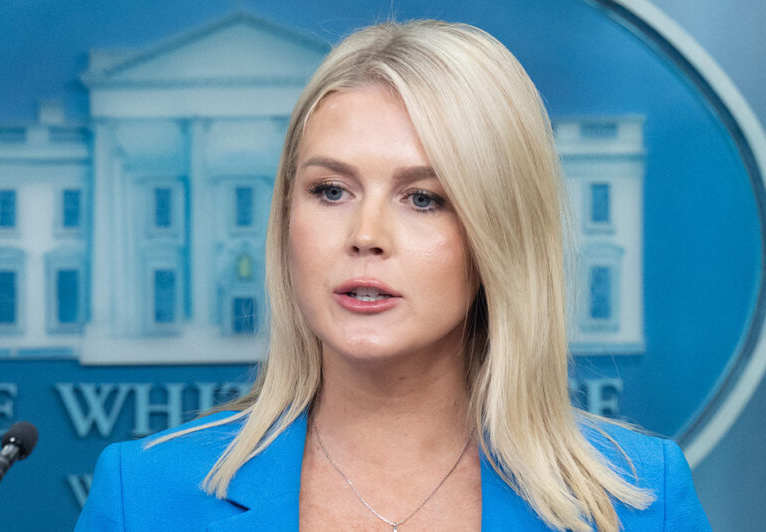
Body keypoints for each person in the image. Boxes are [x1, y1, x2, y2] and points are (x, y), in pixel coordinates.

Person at [76, 20, 711, 531]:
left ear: (500, 232)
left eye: (424, 198)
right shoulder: (145, 496)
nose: (365, 236)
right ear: (284, 218)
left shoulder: (639, 500)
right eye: (330, 190)